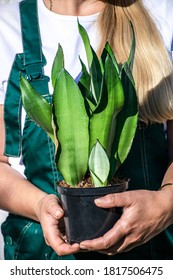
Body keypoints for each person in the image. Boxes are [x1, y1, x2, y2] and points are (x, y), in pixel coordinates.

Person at [0, 0, 173, 260]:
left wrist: (166, 204)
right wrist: (39, 205)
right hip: (42, 259)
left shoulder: (162, 14)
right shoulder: (7, 24)